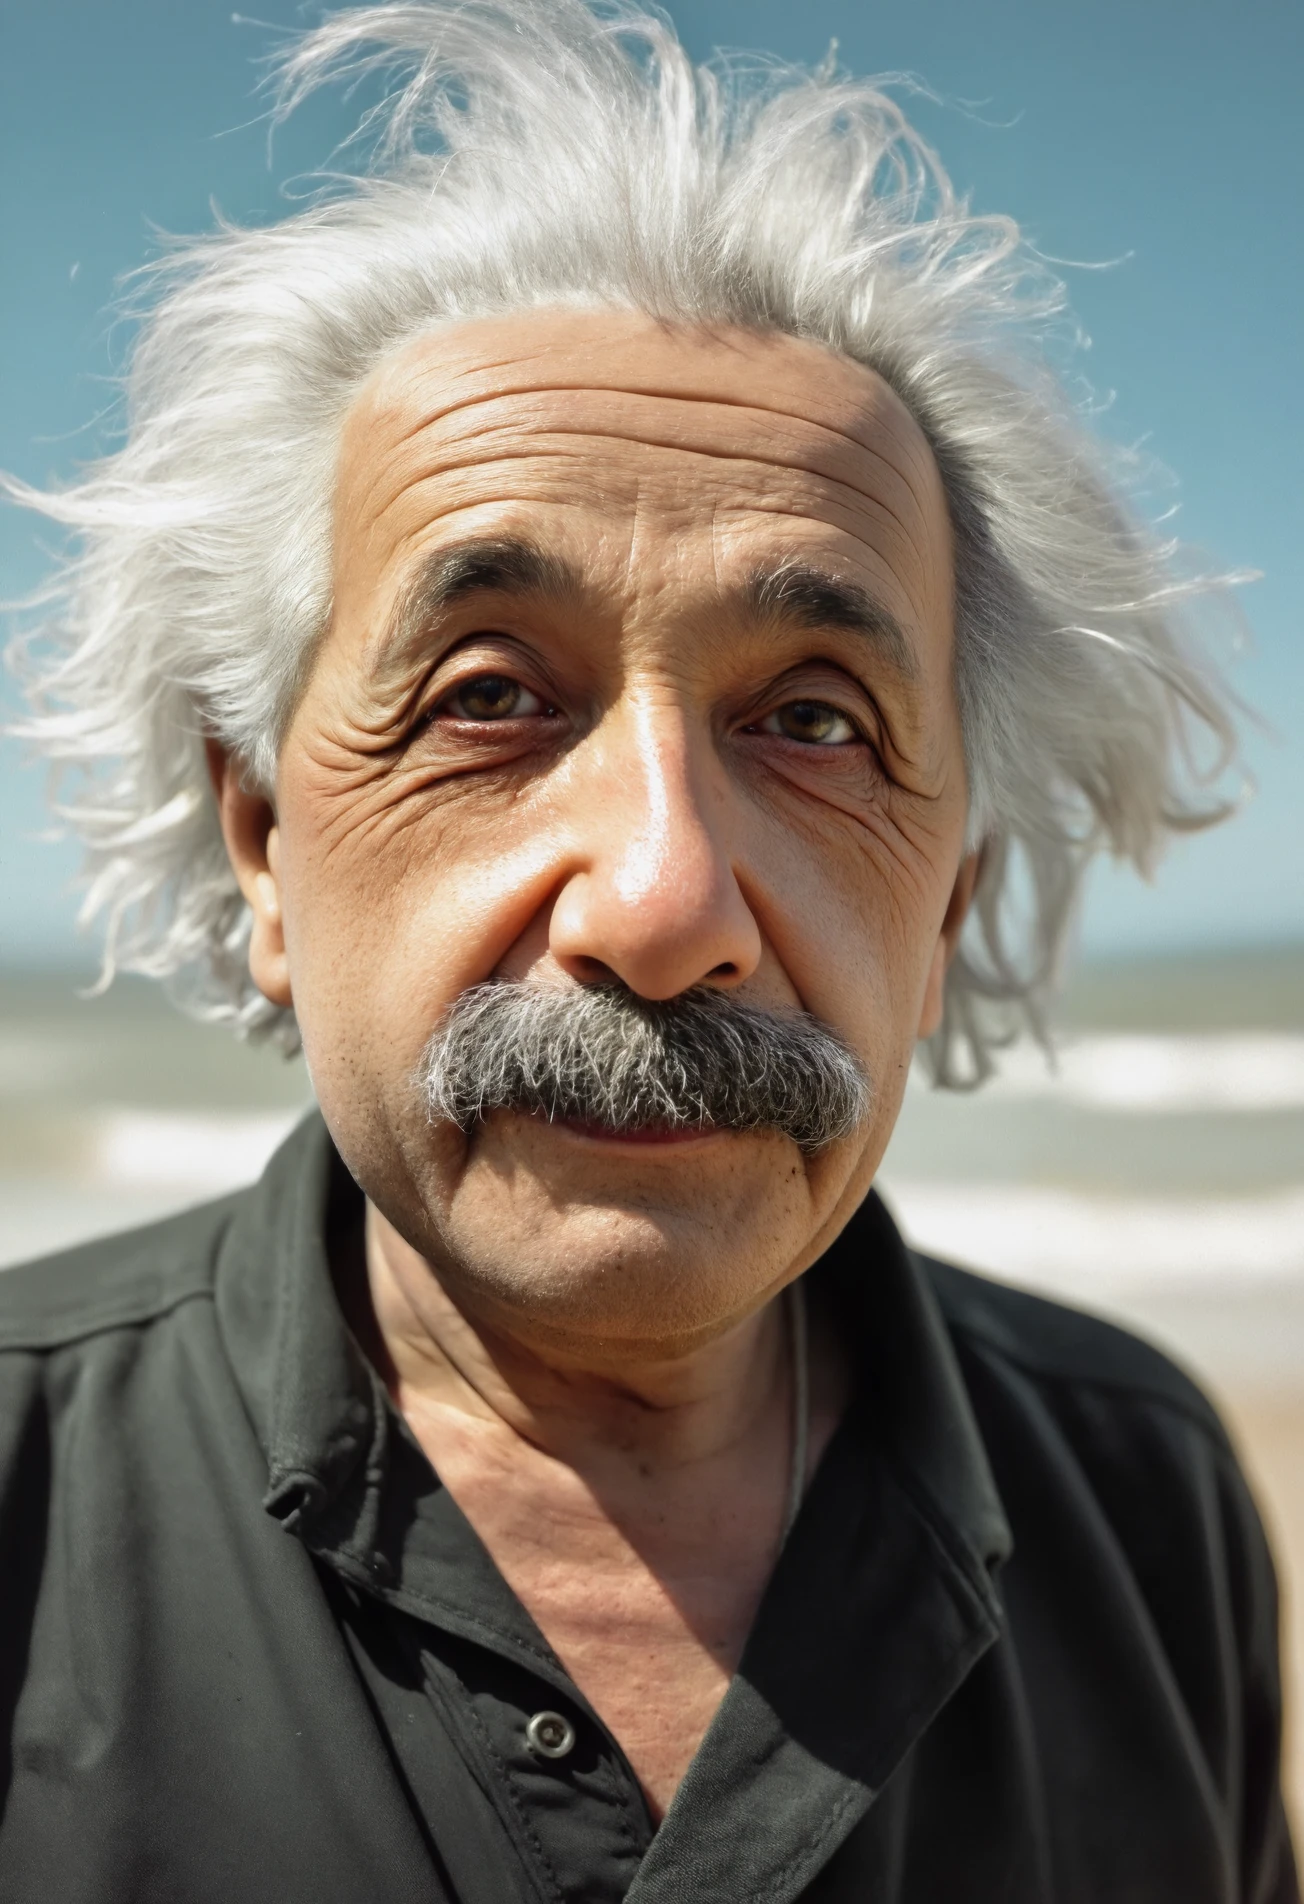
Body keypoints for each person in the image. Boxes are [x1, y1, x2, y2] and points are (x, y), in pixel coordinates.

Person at [0, 3, 1295, 1899]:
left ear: (942, 905)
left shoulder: (1143, 1500)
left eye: (820, 723)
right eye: (492, 695)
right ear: (265, 844)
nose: (667, 904)